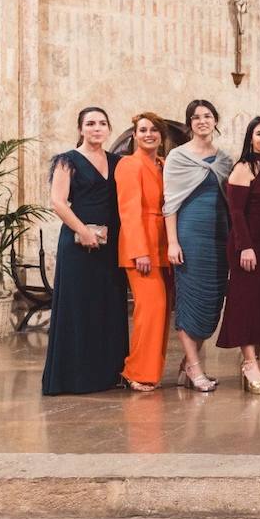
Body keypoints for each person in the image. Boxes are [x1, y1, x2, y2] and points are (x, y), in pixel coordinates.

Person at [42, 107, 128, 395]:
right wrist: (83, 231)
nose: (96, 128)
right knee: (79, 308)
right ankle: (76, 378)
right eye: (90, 123)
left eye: (102, 123)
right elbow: (58, 202)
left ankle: (108, 373)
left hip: (109, 245)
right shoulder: (68, 162)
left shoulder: (118, 162)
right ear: (80, 129)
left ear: (109, 129)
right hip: (78, 246)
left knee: (108, 306)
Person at [164, 99, 234, 392]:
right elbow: (169, 204)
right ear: (189, 123)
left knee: (212, 300)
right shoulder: (177, 157)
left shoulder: (225, 160)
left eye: (207, 116)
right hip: (190, 233)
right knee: (190, 299)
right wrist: (172, 242)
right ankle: (194, 366)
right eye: (195, 117)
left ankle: (186, 365)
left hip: (219, 236)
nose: (202, 121)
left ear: (215, 120)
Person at [217, 116, 260, 394]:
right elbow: (236, 212)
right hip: (248, 245)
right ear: (250, 138)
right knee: (246, 303)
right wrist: (245, 246)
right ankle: (249, 363)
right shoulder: (244, 167)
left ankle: (256, 361)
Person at [115, 112, 171, 392]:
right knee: (151, 308)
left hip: (164, 245)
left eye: (154, 130)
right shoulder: (128, 165)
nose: (148, 134)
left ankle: (151, 370)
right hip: (142, 248)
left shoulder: (163, 164)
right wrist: (139, 251)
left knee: (161, 313)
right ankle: (135, 371)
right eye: (143, 130)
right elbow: (129, 211)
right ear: (134, 135)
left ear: (161, 136)